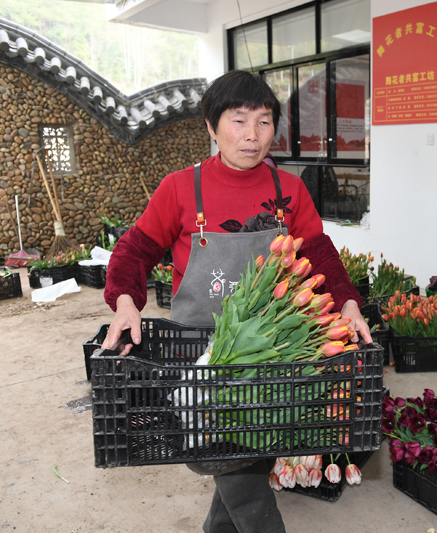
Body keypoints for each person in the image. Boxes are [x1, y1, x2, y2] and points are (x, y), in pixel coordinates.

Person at [102, 70, 372, 533]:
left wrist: (347, 302)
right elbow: (136, 248)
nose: (252, 135)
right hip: (203, 352)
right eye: (239, 120)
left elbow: (318, 253)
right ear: (211, 125)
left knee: (246, 452)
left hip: (270, 349)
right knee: (233, 462)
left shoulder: (289, 190)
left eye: (264, 121)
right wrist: (126, 300)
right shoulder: (180, 188)